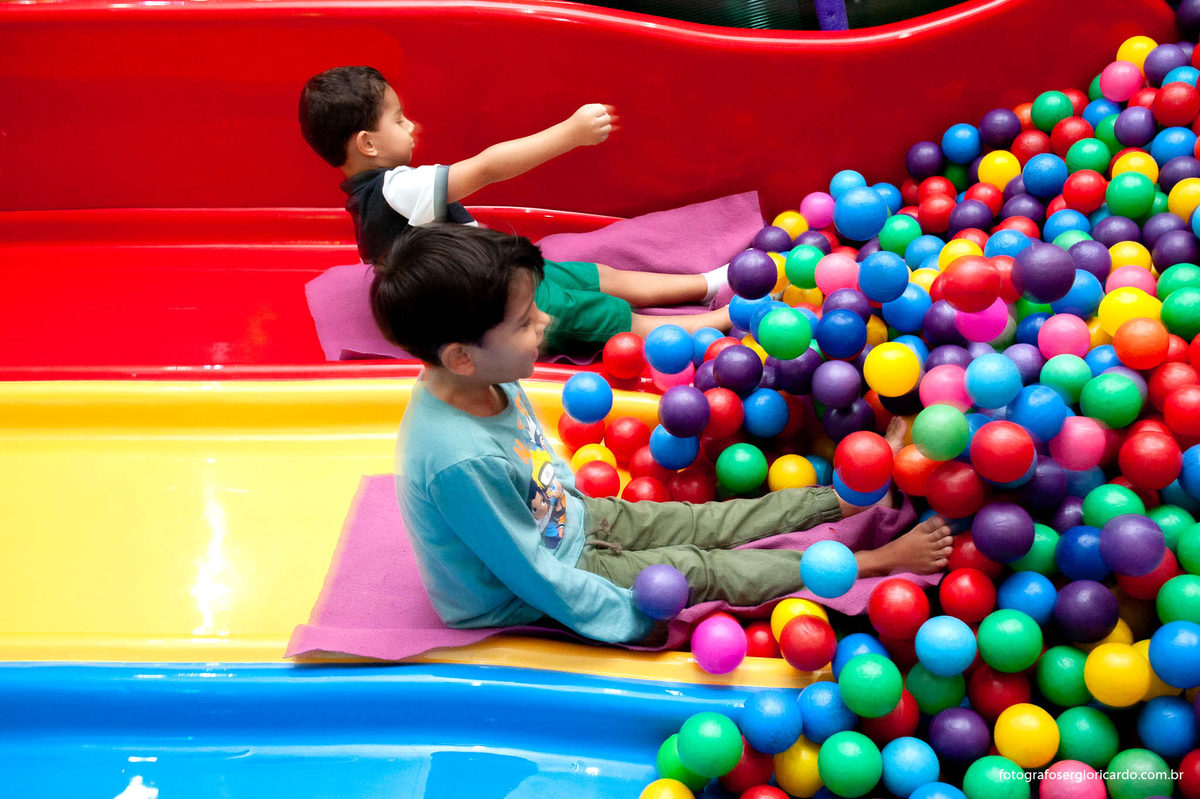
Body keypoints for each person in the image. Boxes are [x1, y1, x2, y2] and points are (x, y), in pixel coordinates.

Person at [376, 223, 953, 644]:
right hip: (532, 584)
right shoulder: (457, 460)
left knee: (707, 519)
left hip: (572, 523)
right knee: (699, 569)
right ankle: (872, 562)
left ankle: (850, 495)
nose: (544, 324)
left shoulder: (491, 376)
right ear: (461, 357)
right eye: (525, 323)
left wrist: (585, 512)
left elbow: (539, 466)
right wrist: (633, 618)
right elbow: (531, 575)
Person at [299, 65, 732, 356]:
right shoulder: (398, 188)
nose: (410, 126)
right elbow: (487, 167)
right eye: (398, 119)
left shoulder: (370, 195)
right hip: (493, 305)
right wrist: (570, 133)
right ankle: (719, 320)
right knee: (606, 316)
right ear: (367, 144)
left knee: (594, 276)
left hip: (497, 272)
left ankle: (705, 283)